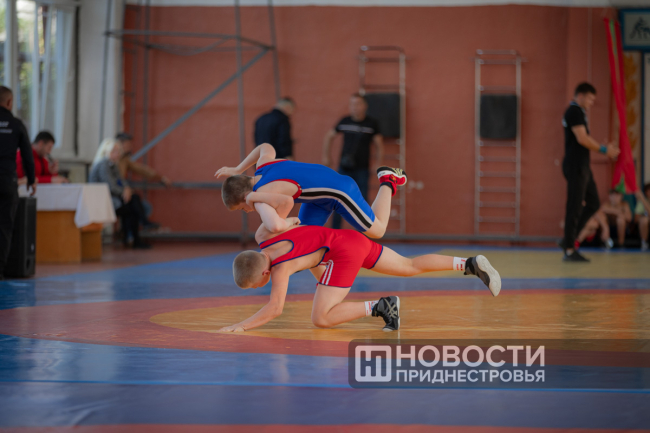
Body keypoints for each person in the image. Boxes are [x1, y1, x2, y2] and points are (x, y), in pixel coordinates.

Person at [219, 220, 501, 332]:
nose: (261, 287)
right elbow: (309, 250)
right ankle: (469, 264)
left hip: (343, 254)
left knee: (320, 318)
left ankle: (382, 307)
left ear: (265, 271)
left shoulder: (280, 268)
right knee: (409, 266)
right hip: (349, 239)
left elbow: (275, 308)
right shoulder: (267, 237)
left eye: (257, 284)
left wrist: (240, 326)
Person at [215, 142, 406, 239]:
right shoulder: (263, 166)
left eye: (242, 208)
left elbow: (282, 213)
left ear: (245, 196)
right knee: (306, 241)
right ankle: (324, 282)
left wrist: (256, 200)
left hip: (340, 192)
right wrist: (238, 169)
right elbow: (265, 147)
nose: (247, 210)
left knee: (378, 231)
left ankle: (387, 180)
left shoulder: (261, 195)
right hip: (318, 198)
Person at [560, 82, 619, 262]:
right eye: (590, 99)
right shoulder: (574, 111)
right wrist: (604, 150)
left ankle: (568, 239)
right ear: (581, 96)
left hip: (583, 166)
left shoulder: (579, 112)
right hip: (575, 166)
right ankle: (569, 249)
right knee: (575, 205)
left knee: (593, 203)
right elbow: (582, 138)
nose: (592, 103)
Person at [322, 93, 383, 230]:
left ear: (365, 106)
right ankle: (335, 231)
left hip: (362, 169)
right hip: (344, 168)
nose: (355, 107)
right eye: (352, 104)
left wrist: (378, 163)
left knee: (362, 201)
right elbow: (329, 136)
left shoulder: (371, 123)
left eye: (358, 104)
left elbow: (379, 144)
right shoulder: (345, 121)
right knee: (338, 199)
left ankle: (363, 232)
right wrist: (326, 156)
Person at [89, 139, 151, 249]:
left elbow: (120, 181)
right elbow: (110, 186)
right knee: (132, 205)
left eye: (118, 151)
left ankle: (134, 236)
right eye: (114, 151)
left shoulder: (113, 165)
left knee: (133, 201)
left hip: (113, 198)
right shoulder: (103, 164)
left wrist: (127, 189)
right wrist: (124, 191)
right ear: (106, 152)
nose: (117, 154)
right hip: (102, 200)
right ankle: (142, 226)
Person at [0, 86, 35, 279]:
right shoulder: (16, 124)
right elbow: (28, 156)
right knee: (5, 226)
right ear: (9, 102)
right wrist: (31, 180)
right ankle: (0, 270)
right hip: (6, 180)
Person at [115, 132, 170, 229]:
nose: (130, 147)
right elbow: (113, 179)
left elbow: (141, 170)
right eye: (128, 144)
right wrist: (124, 188)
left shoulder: (124, 159)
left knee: (135, 203)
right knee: (134, 202)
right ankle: (143, 224)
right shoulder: (110, 160)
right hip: (113, 193)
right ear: (120, 144)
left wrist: (160, 177)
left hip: (120, 192)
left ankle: (135, 232)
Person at [633, 184, 650, 251]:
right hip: (645, 225)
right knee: (644, 220)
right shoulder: (641, 202)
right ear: (646, 192)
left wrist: (642, 198)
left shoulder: (642, 200)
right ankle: (644, 243)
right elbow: (636, 219)